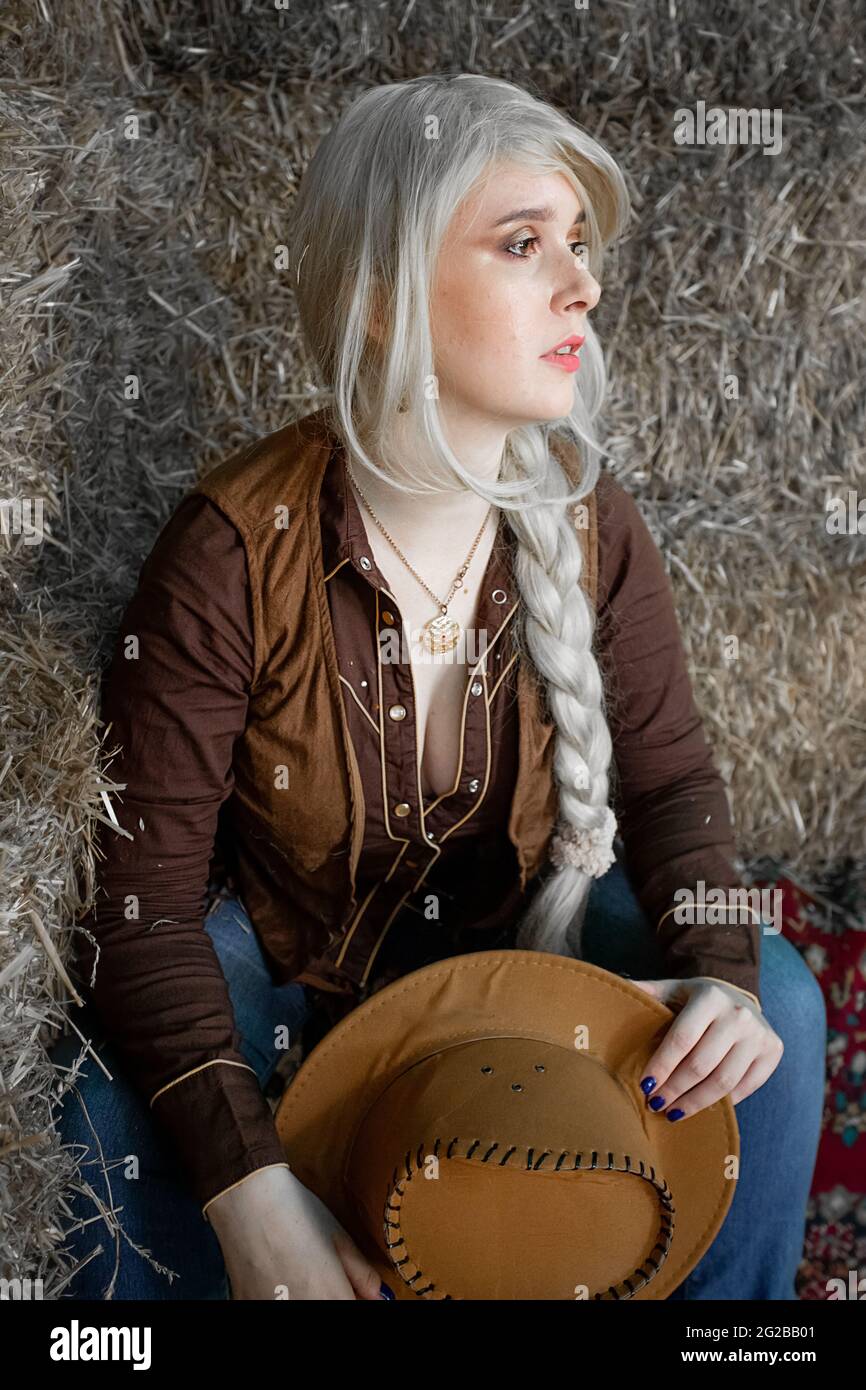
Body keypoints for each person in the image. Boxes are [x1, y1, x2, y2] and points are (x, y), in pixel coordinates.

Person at [51, 73, 826, 1301]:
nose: (580, 283)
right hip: (301, 963)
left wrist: (720, 977)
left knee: (774, 1011)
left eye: (576, 245)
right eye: (523, 244)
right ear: (378, 298)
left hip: (530, 938)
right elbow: (137, 900)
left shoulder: (590, 526)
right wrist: (249, 1192)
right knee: (100, 1113)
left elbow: (672, 779)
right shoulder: (229, 548)